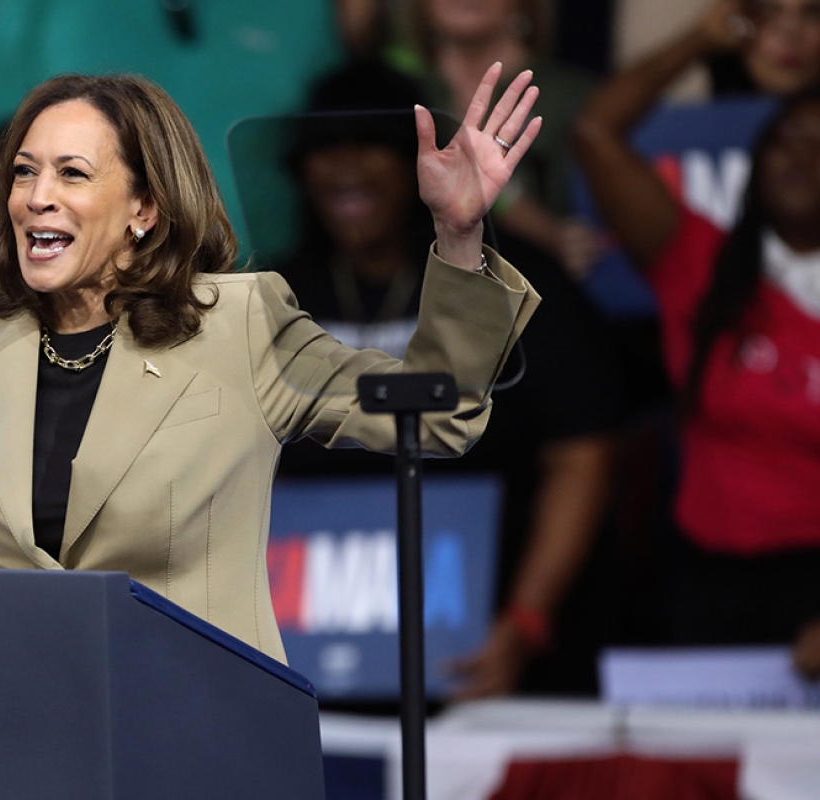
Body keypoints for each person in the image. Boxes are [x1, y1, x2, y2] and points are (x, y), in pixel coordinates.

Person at [0, 51, 542, 662]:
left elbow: (440, 412)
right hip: (10, 735)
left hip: (193, 740)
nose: (37, 197)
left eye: (73, 174)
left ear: (144, 207)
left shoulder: (238, 325)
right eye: (24, 172)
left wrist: (459, 238)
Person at [274, 60, 623, 696]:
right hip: (309, 642)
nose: (347, 167)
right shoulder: (274, 295)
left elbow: (582, 457)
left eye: (373, 146)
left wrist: (524, 621)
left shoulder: (513, 283)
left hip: (491, 632)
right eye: (325, 150)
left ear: (418, 161)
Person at [575, 2, 820, 659]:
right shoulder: (698, 259)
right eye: (787, 141)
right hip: (701, 581)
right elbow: (597, 132)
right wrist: (700, 39)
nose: (801, 159)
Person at [396, 0, 601, 279]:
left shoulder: (576, 94)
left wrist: (575, 241)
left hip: (549, 288)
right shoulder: (394, 91)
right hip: (422, 288)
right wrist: (549, 233)